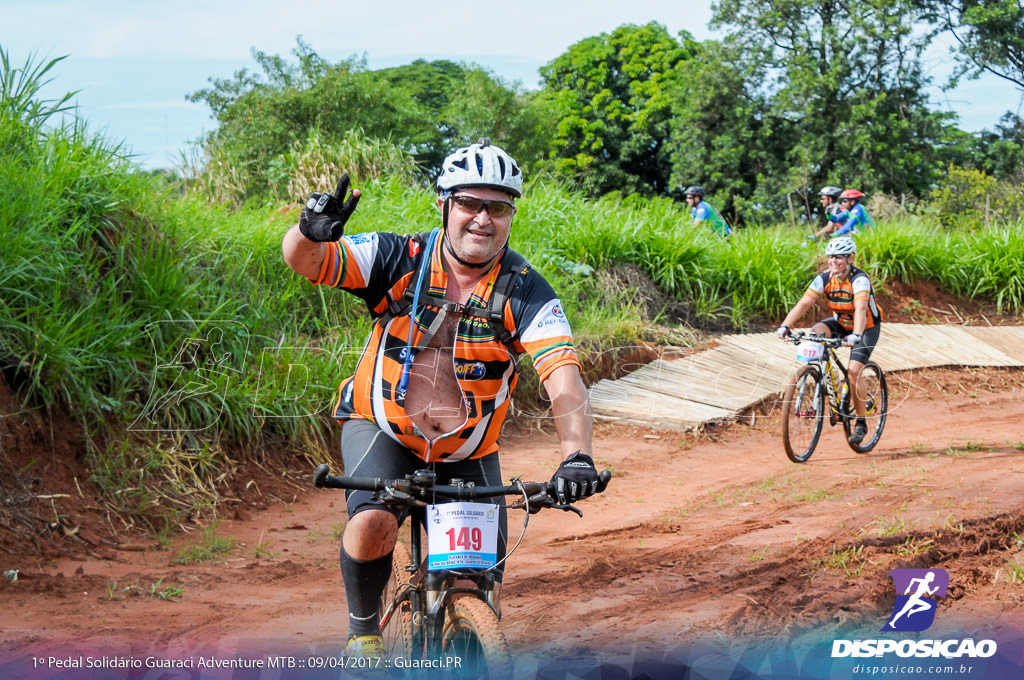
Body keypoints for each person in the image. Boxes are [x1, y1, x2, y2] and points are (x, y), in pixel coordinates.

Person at [281, 139, 599, 659]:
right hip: (382, 426)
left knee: (475, 585)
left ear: (511, 216)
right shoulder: (396, 258)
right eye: (470, 203)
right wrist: (308, 231)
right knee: (372, 520)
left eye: (497, 207)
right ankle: (363, 637)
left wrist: (577, 455)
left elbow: (562, 376)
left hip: (467, 451)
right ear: (444, 205)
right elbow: (309, 262)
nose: (482, 218)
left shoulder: (525, 290)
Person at [775, 236, 883, 445]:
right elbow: (804, 303)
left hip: (866, 327)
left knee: (853, 373)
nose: (834, 261)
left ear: (850, 258)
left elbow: (861, 309)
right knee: (816, 332)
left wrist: (856, 335)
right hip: (840, 322)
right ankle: (821, 376)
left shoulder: (859, 279)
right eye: (831, 257)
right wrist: (785, 326)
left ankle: (860, 422)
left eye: (839, 257)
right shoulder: (824, 278)